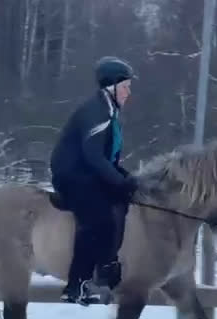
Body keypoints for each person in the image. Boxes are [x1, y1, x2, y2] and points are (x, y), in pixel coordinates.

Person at [49, 56, 139, 305]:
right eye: (125, 87)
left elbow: (107, 160)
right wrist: (119, 182)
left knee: (122, 202)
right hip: (72, 176)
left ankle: (107, 266)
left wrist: (126, 178)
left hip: (88, 173)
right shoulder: (96, 111)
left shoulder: (108, 111)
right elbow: (93, 156)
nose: (128, 93)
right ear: (110, 86)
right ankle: (76, 285)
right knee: (98, 216)